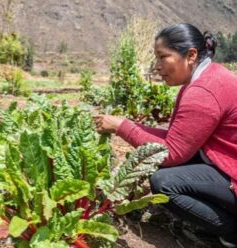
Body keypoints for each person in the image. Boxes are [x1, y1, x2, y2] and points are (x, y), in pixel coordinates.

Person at [94, 23, 237, 247]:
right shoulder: (209, 77)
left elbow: (172, 153)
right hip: (227, 165)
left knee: (165, 182)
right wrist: (126, 124)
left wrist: (123, 127)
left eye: (163, 57)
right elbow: (175, 138)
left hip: (232, 173)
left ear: (191, 55)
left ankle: (232, 233)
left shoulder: (203, 91)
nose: (157, 66)